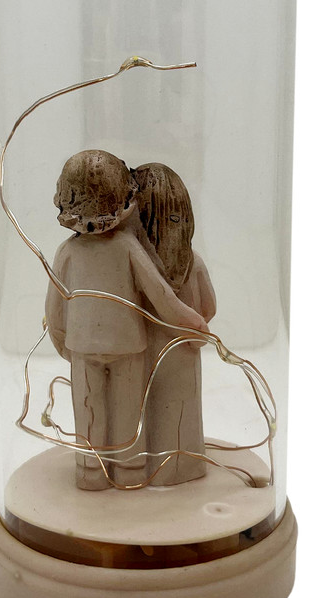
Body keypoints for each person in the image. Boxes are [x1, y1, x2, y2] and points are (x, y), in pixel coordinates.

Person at [45, 150, 209, 490]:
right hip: (129, 346)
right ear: (125, 204)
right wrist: (193, 322)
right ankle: (128, 473)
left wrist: (63, 343)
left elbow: (54, 307)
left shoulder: (68, 251)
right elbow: (160, 295)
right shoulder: (126, 246)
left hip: (85, 348)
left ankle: (91, 474)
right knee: (128, 414)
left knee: (89, 413)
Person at [133, 162, 217, 485]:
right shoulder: (194, 263)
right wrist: (195, 326)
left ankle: (153, 472)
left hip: (148, 354)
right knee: (181, 415)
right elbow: (209, 306)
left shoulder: (139, 266)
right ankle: (183, 468)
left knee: (151, 413)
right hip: (184, 351)